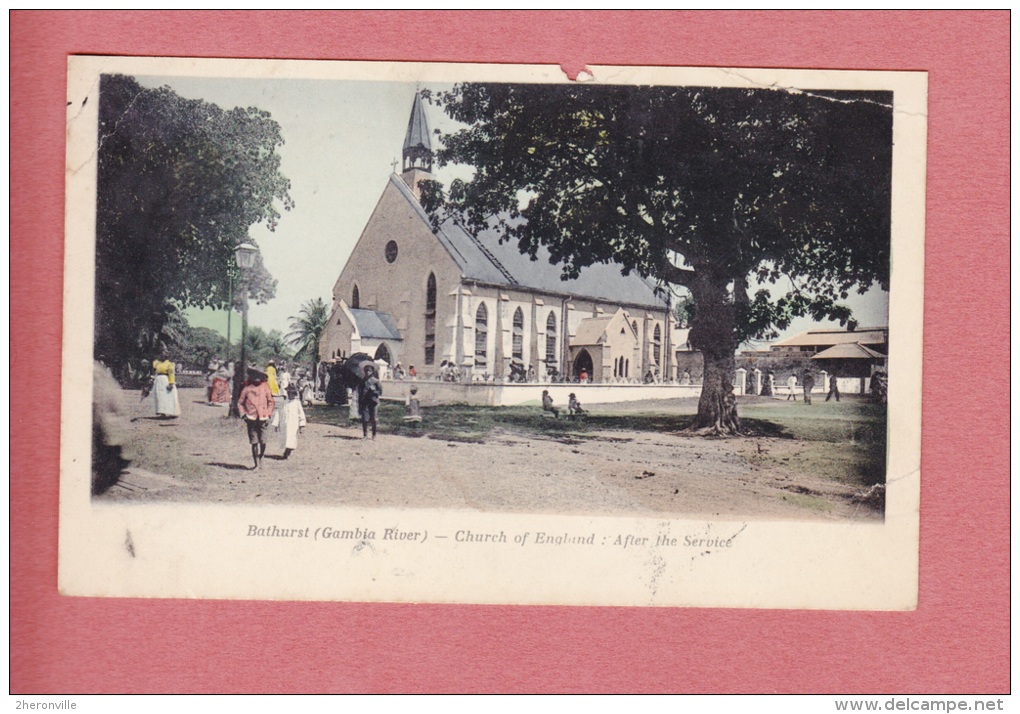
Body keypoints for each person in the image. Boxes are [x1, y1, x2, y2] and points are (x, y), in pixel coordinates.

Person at [238, 367, 275, 470]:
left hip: (263, 417)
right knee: (254, 442)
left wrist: (268, 413)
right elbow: (240, 403)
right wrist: (244, 414)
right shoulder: (247, 388)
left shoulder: (265, 387)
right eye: (255, 377)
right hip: (251, 418)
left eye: (259, 377)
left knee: (263, 441)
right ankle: (256, 464)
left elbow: (270, 402)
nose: (257, 379)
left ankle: (261, 456)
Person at [278, 380, 306, 459]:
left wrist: (301, 425)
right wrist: (277, 424)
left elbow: (301, 414)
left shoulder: (297, 403)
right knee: (286, 438)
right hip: (285, 423)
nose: (291, 395)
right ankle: (286, 451)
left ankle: (288, 451)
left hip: (293, 424)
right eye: (289, 393)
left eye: (292, 394)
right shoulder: (284, 403)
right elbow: (279, 413)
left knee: (292, 438)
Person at [150, 349, 180, 418]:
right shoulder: (156, 363)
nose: (162, 356)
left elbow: (171, 374)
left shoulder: (169, 364)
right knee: (160, 396)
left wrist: (171, 383)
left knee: (168, 396)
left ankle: (172, 412)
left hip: (166, 380)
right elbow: (154, 372)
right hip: (158, 380)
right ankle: (162, 412)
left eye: (164, 355)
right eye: (161, 355)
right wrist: (152, 379)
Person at [357, 365, 383, 439]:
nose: (367, 372)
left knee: (373, 418)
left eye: (369, 371)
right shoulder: (362, 381)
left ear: (372, 372)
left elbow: (380, 392)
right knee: (364, 419)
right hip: (364, 402)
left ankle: (374, 435)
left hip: (373, 402)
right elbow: (360, 391)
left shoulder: (375, 381)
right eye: (366, 371)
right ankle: (365, 435)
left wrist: (374, 391)